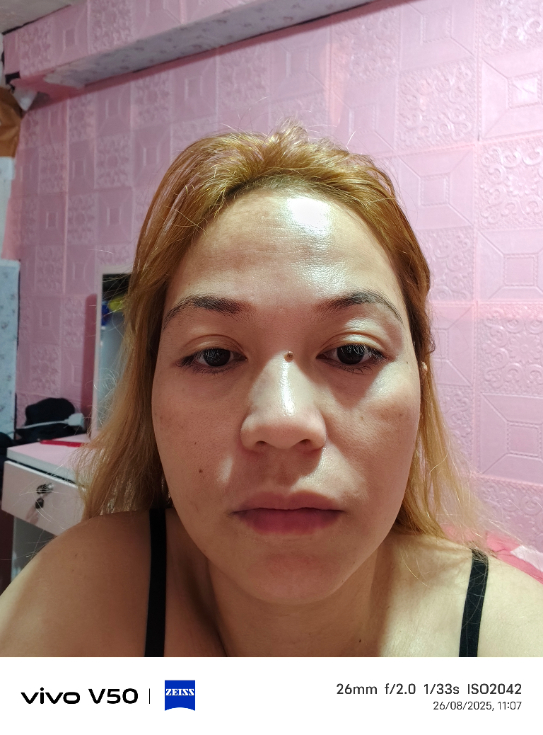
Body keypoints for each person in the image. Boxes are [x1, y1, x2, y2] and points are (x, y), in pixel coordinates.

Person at [0, 125, 542, 657]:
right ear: (150, 396)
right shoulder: (75, 598)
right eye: (214, 355)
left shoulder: (517, 645)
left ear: (420, 394)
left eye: (353, 353)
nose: (283, 421)